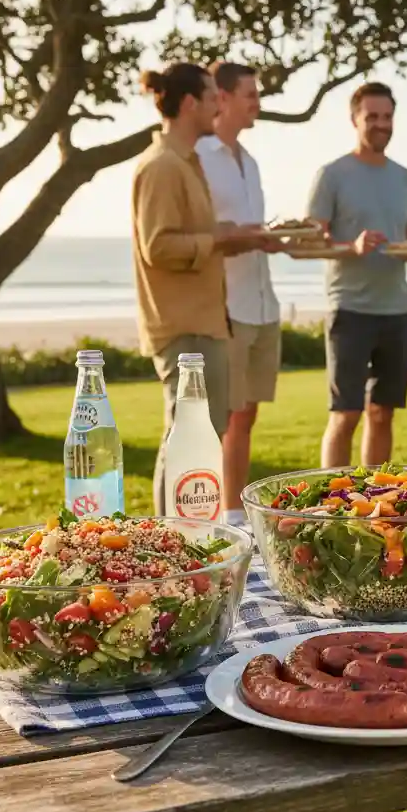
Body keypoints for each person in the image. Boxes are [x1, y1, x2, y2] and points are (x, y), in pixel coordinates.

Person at [131, 63, 267, 516]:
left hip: (208, 320)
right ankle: (167, 541)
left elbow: (197, 233)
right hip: (181, 324)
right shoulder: (162, 167)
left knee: (209, 432)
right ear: (190, 103)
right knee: (184, 436)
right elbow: (157, 245)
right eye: (211, 97)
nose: (217, 104)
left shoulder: (187, 163)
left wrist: (233, 233)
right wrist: (219, 239)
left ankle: (193, 534)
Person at [306, 81, 407, 468]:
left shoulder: (406, 178)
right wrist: (351, 247)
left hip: (397, 311)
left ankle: (376, 501)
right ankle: (329, 505)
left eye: (387, 116)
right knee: (347, 414)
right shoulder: (332, 175)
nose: (381, 124)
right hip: (350, 309)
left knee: (382, 413)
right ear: (354, 119)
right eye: (372, 116)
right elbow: (311, 242)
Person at [196, 62, 282, 528]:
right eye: (250, 94)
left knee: (246, 416)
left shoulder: (248, 160)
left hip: (261, 301)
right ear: (222, 98)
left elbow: (249, 230)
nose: (257, 102)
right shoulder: (201, 157)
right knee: (221, 419)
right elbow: (203, 231)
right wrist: (248, 235)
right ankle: (209, 521)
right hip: (225, 306)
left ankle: (235, 517)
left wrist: (269, 237)